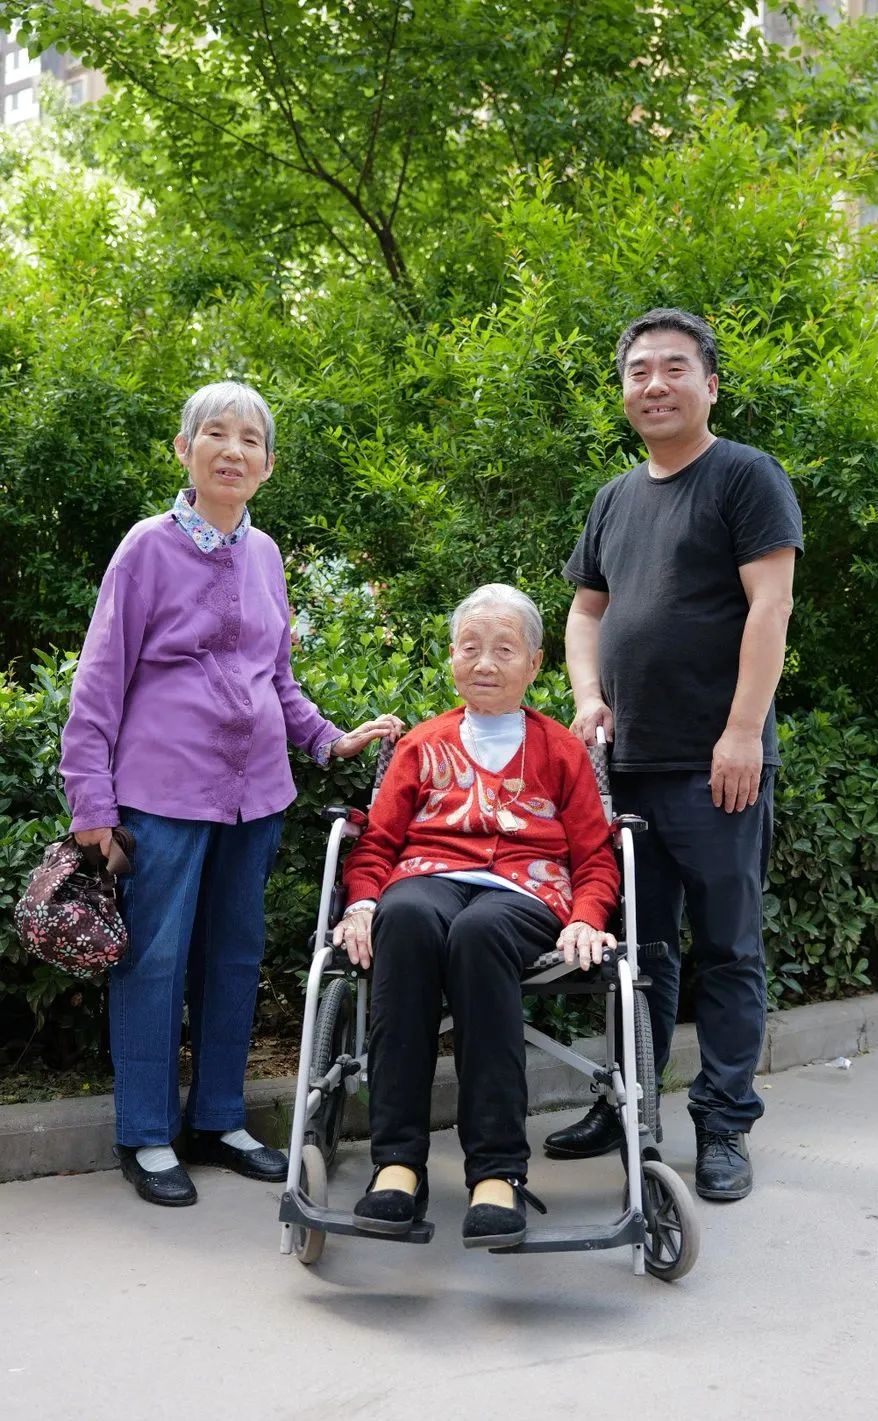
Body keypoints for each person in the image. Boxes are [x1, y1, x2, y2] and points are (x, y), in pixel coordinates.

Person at [60, 380, 402, 1207]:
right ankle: (146, 1133)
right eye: (215, 433)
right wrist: (91, 803)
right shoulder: (146, 547)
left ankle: (218, 1118)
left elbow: (275, 676)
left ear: (268, 465)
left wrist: (327, 738)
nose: (233, 451)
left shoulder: (265, 553)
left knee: (234, 958)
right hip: (162, 794)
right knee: (153, 961)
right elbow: (99, 678)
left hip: (256, 797)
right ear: (185, 450)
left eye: (250, 440)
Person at [544, 309, 803, 1202]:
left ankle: (723, 1123)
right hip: (627, 769)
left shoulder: (745, 476)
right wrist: (587, 696)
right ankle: (629, 1105)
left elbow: (770, 606)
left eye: (673, 368)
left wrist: (741, 731)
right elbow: (585, 611)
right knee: (635, 952)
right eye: (638, 371)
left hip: (717, 763)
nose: (653, 384)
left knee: (725, 948)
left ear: (710, 385)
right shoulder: (614, 498)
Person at [332, 585, 619, 1247]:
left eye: (503, 649)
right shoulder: (421, 744)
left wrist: (587, 915)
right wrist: (363, 901)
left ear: (535, 664)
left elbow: (594, 855)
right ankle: (397, 1164)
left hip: (524, 893)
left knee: (480, 931)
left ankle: (496, 1171)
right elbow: (376, 844)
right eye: (470, 647)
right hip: (426, 879)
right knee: (404, 918)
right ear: (452, 657)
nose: (484, 662)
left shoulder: (560, 749)